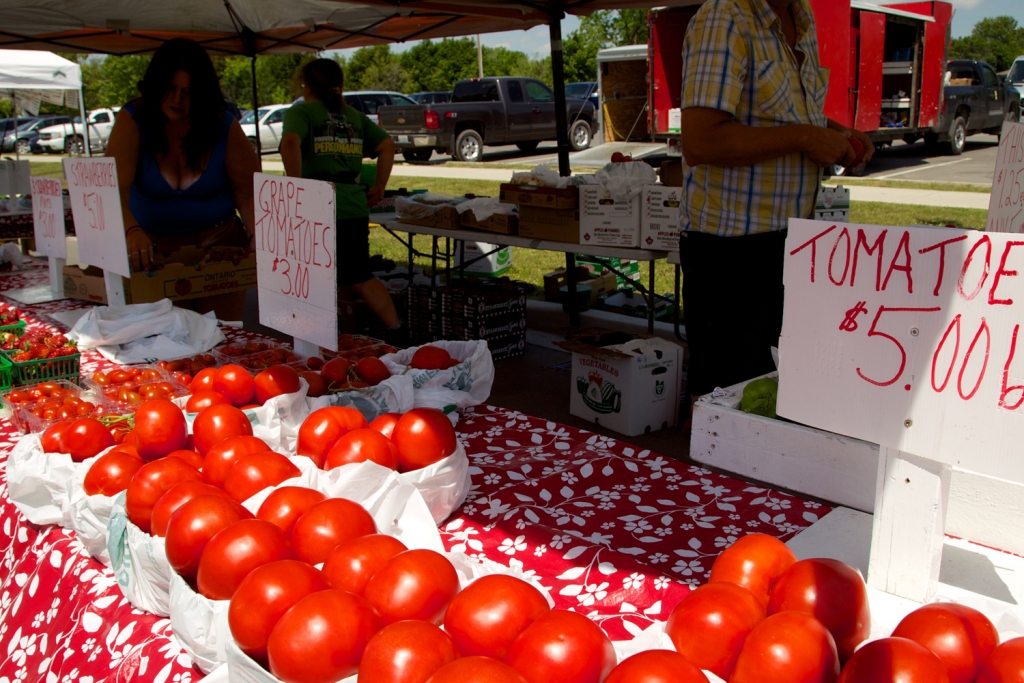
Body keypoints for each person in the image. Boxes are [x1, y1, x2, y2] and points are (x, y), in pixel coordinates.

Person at [678, 0, 875, 403]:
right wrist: (807, 138)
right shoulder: (725, 16)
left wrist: (834, 133)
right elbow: (701, 140)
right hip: (731, 251)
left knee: (777, 390)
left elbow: (784, 115)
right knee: (727, 400)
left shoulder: (801, 17)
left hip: (790, 241)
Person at [106, 38, 259, 321]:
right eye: (170, 89)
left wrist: (256, 238)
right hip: (153, 258)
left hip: (221, 253)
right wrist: (131, 231)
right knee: (160, 338)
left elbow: (248, 193)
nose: (177, 101)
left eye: (188, 93)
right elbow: (113, 191)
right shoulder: (132, 121)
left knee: (222, 335)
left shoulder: (223, 125)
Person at [279, 59, 401, 337]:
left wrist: (295, 187)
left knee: (312, 276)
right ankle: (397, 329)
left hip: (315, 205)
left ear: (307, 85)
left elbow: (290, 142)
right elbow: (387, 145)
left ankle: (318, 336)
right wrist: (380, 186)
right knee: (359, 275)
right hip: (352, 205)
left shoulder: (302, 112)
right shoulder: (353, 116)